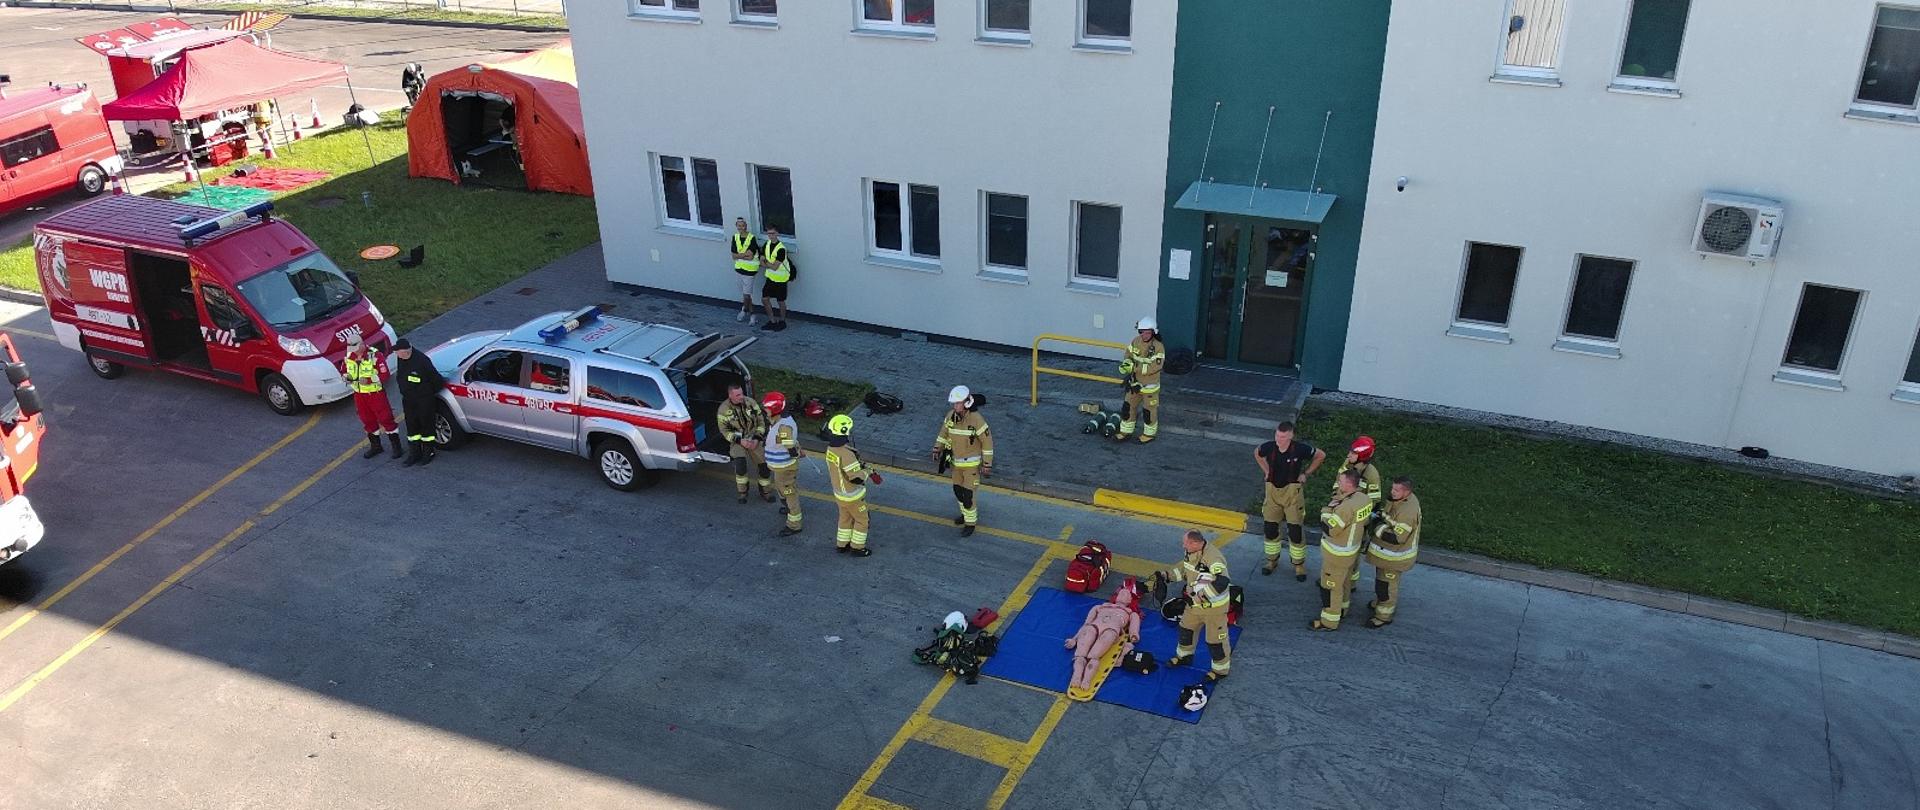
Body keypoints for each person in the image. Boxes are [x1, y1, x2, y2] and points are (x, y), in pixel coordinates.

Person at [1254, 421, 1326, 579]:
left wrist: (1305, 474)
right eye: (1277, 436)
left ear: (1291, 435)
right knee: (1270, 528)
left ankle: (1299, 565)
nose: (1279, 440)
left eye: (1283, 437)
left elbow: (1320, 455)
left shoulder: (1300, 449)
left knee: (1295, 531)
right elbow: (1257, 453)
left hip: (1292, 493)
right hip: (1272, 491)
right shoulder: (1269, 447)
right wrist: (1266, 471)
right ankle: (1272, 561)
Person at [1312, 469, 1374, 632]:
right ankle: (1343, 609)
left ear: (1349, 484)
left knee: (1331, 587)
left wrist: (1326, 511)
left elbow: (1331, 529)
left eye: (1341, 481)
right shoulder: (1364, 499)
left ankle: (1329, 621)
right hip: (1351, 551)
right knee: (1345, 582)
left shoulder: (1346, 508)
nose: (1338, 484)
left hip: (1336, 555)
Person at [932, 385, 993, 537]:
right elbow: (944, 432)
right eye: (954, 403)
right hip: (956, 464)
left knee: (968, 495)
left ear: (966, 403)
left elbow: (987, 442)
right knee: (958, 491)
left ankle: (970, 523)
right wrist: (937, 448)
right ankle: (965, 515)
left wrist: (987, 464)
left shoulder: (977, 420)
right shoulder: (950, 416)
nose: (955, 406)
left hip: (971, 466)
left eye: (958, 403)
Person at [1364, 476, 1422, 629]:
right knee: (1381, 580)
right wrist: (1380, 515)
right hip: (1386, 555)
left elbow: (1397, 537)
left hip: (1395, 557)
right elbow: (1390, 515)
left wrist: (1376, 527)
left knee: (1387, 587)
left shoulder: (1408, 512)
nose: (1392, 492)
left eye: (1396, 490)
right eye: (1392, 488)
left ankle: (1383, 616)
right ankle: (1380, 602)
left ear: (1407, 492)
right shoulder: (1400, 500)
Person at [1065, 578, 1142, 692]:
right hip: (1094, 626)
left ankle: (1086, 679)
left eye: (1127, 594)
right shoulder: (1099, 607)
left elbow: (1134, 631)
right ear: (1116, 596)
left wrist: (1133, 637)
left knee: (1095, 655)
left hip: (1111, 630)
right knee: (1082, 652)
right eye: (1121, 592)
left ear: (1130, 600)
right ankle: (1077, 675)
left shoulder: (1131, 613)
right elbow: (1086, 623)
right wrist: (1074, 639)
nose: (1123, 595)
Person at [343, 333, 403, 460]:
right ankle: (376, 446)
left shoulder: (375, 356)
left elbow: (385, 374)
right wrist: (346, 377)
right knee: (367, 420)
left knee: (386, 418)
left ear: (361, 344)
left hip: (375, 394)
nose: (354, 352)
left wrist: (369, 380)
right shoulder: (349, 356)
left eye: (355, 348)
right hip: (359, 395)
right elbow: (344, 369)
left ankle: (397, 447)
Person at [825, 414, 874, 557]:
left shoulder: (831, 450)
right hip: (853, 495)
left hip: (840, 494)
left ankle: (842, 544)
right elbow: (856, 479)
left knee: (845, 518)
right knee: (862, 520)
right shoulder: (846, 455)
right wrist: (867, 472)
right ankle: (857, 548)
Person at [716, 383, 774, 504]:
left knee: (764, 466)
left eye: (741, 393)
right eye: (738, 395)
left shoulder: (751, 403)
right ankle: (743, 493)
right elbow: (724, 431)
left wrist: (757, 439)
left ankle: (766, 492)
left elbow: (761, 422)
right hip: (737, 441)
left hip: (754, 438)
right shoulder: (723, 410)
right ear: (730, 395)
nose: (741, 397)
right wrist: (739, 441)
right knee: (740, 466)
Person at [393, 339, 444, 467]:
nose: (395, 354)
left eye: (397, 351)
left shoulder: (422, 361)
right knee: (412, 427)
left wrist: (426, 394)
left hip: (423, 400)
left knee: (426, 426)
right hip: (409, 400)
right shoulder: (402, 359)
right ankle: (414, 454)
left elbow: (438, 381)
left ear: (405, 352)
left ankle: (428, 452)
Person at [1116, 317, 1166, 443]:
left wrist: (1135, 367)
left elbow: (1156, 366)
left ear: (1153, 332)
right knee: (1127, 408)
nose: (1144, 335)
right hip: (1134, 384)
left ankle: (1149, 435)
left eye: (1147, 332)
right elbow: (1128, 354)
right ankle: (1126, 431)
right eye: (1142, 332)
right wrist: (1127, 363)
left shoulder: (1158, 347)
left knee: (1148, 412)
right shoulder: (1136, 341)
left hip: (1149, 387)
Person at [762, 391, 805, 537]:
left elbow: (790, 447)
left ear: (775, 410)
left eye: (767, 408)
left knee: (789, 492)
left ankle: (794, 524)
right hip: (780, 467)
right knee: (782, 488)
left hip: (785, 468)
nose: (764, 410)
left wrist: (797, 452)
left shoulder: (783, 427)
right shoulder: (780, 421)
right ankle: (787, 506)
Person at [759, 225, 793, 332]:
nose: (771, 236)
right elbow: (761, 259)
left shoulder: (781, 249)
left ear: (777, 234)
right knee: (765, 299)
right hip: (770, 277)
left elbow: (775, 267)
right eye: (769, 233)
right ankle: (772, 321)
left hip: (781, 279)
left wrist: (765, 264)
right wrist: (767, 264)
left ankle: (782, 321)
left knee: (780, 301)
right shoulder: (767, 244)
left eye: (773, 233)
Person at [728, 218, 761, 325]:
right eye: (739, 225)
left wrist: (739, 256)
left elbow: (751, 256)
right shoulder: (735, 237)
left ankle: (746, 311)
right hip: (739, 269)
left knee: (746, 295)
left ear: (746, 226)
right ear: (736, 226)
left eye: (743, 225)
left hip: (750, 270)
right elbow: (733, 256)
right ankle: (750, 313)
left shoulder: (751, 238)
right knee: (745, 294)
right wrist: (743, 256)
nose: (741, 228)